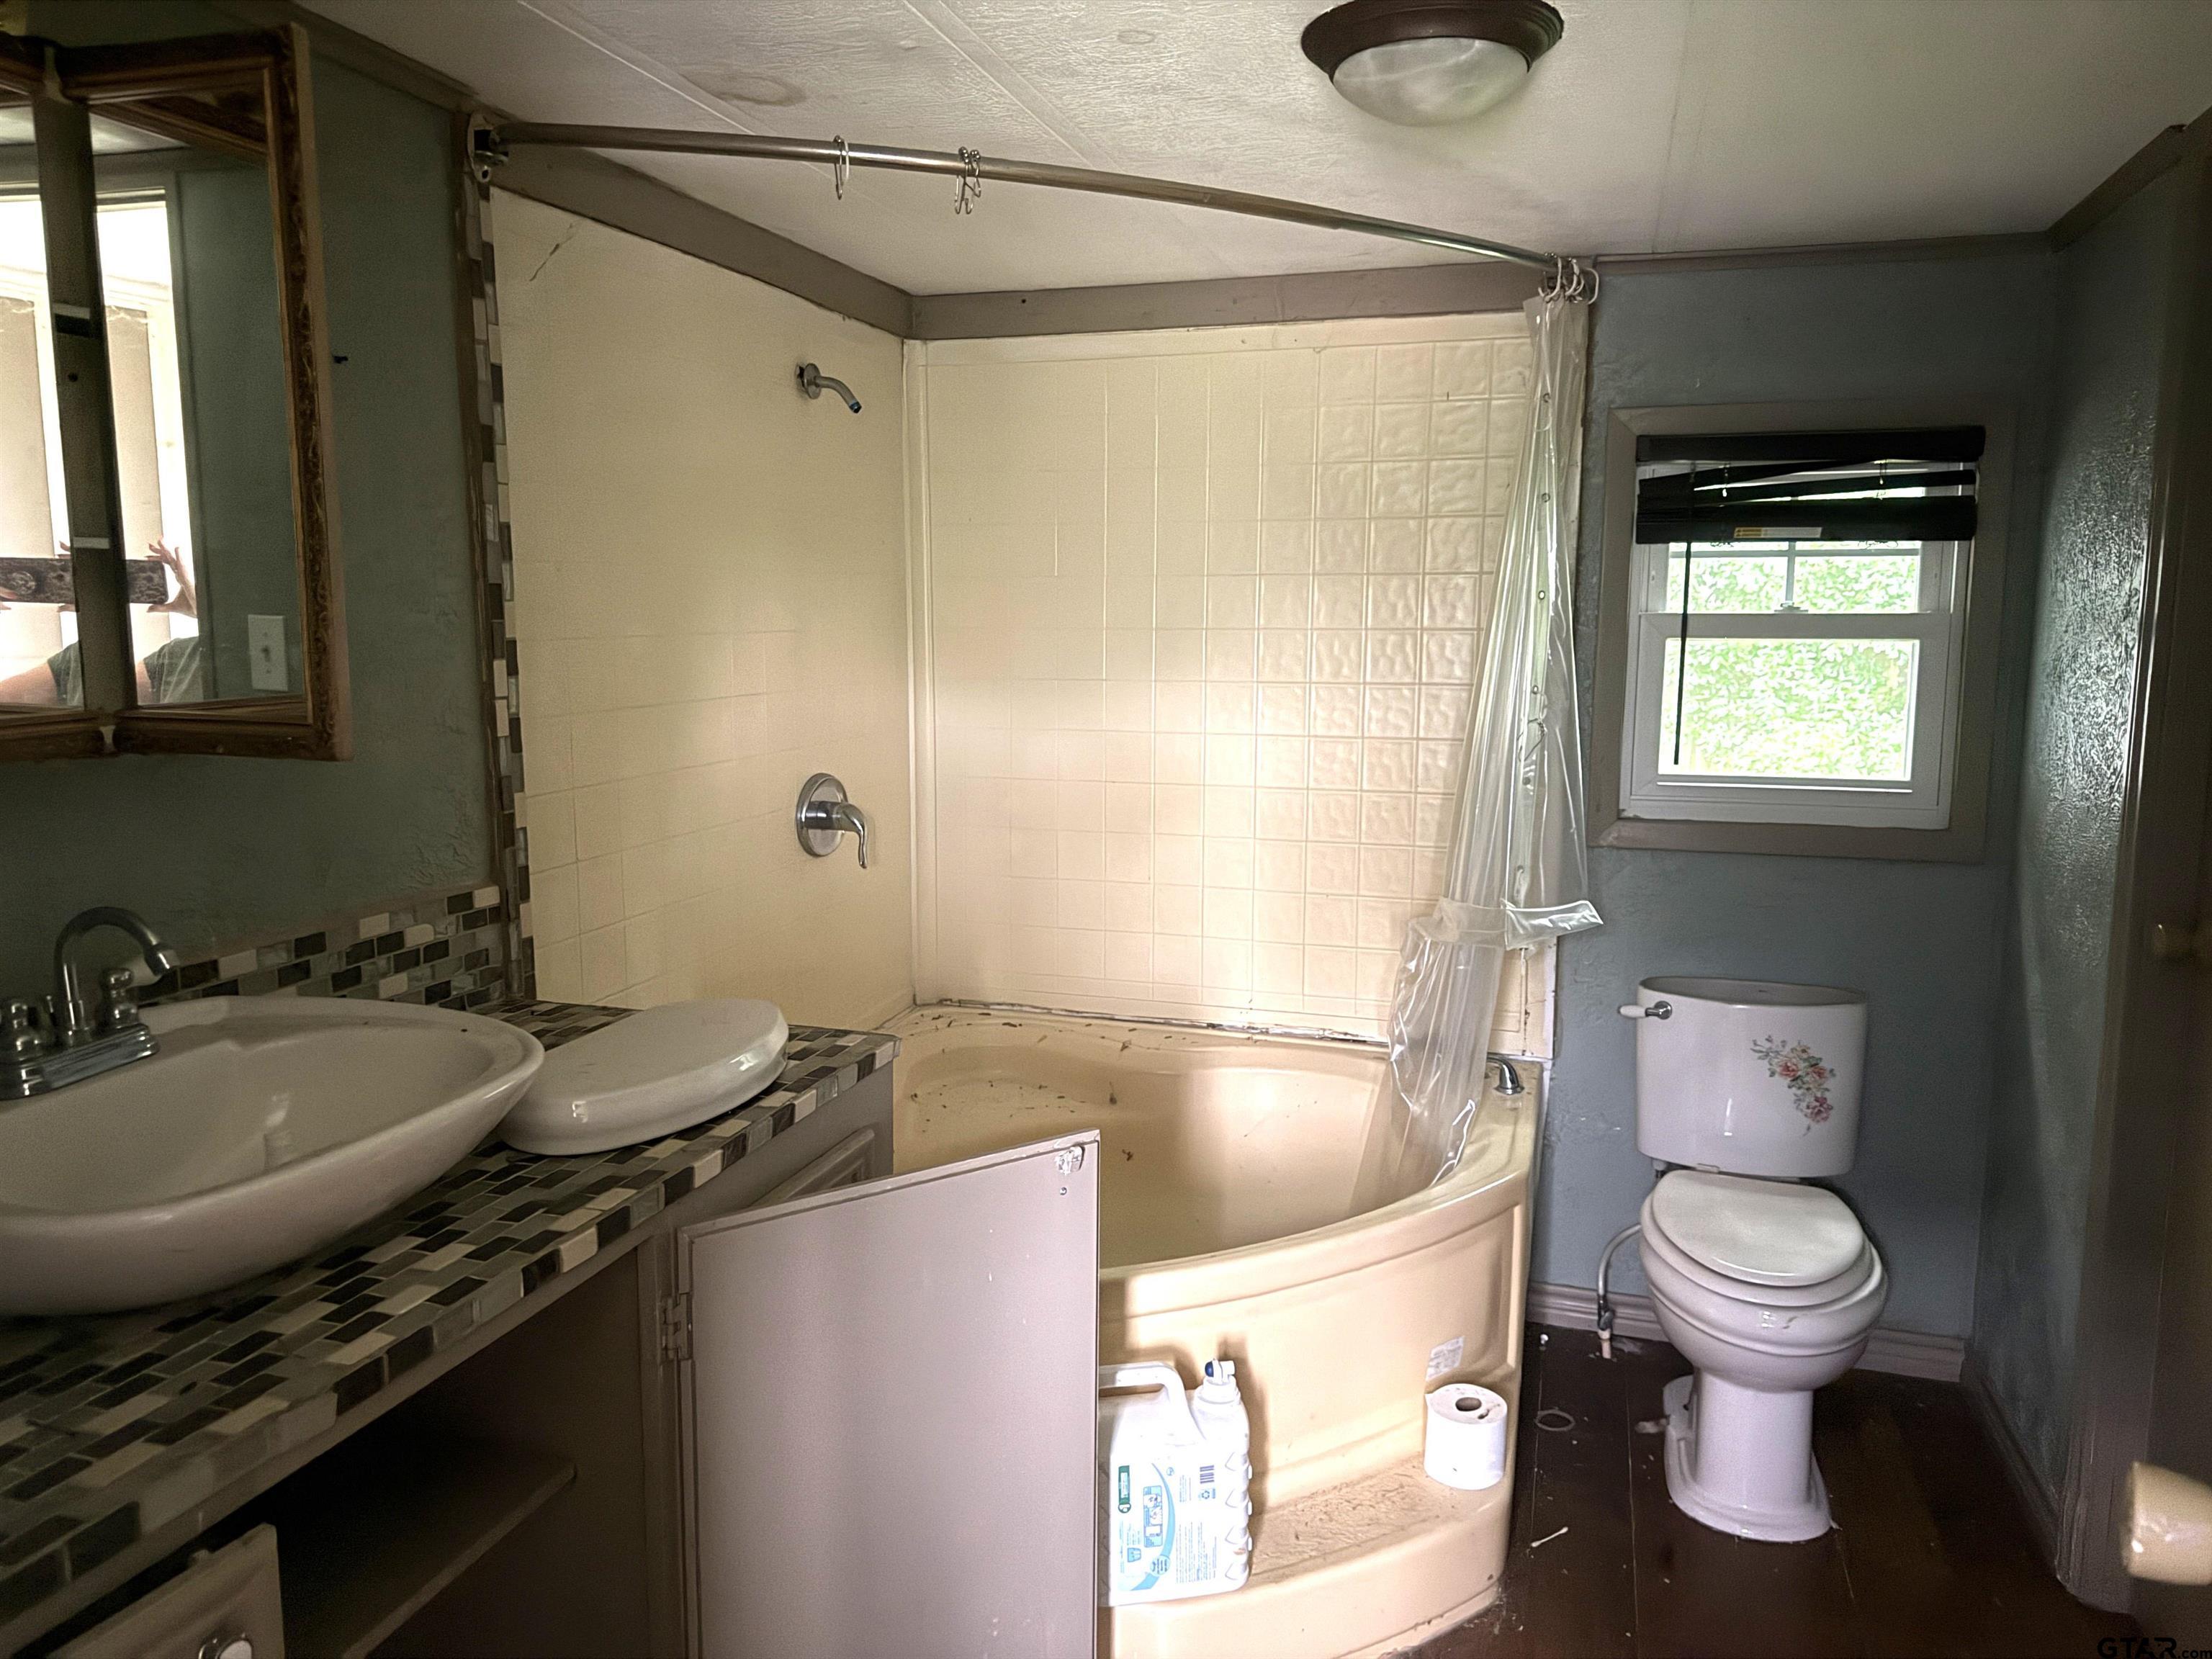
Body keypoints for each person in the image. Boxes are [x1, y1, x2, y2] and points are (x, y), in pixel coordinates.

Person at [0, 540, 205, 706]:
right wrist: (99, 612)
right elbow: (112, 702)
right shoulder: (179, 658)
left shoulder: (191, 661)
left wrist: (207, 613)